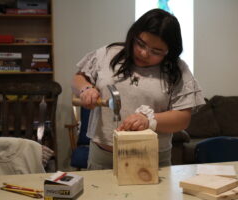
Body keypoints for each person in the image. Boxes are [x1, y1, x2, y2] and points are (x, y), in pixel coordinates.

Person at [71, 9, 205, 170]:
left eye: (156, 51)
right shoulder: (108, 54)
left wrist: (149, 121)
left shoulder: (176, 69)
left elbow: (183, 118)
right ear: (133, 34)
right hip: (104, 156)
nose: (144, 53)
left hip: (151, 159)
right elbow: (79, 78)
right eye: (140, 43)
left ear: (169, 51)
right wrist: (85, 89)